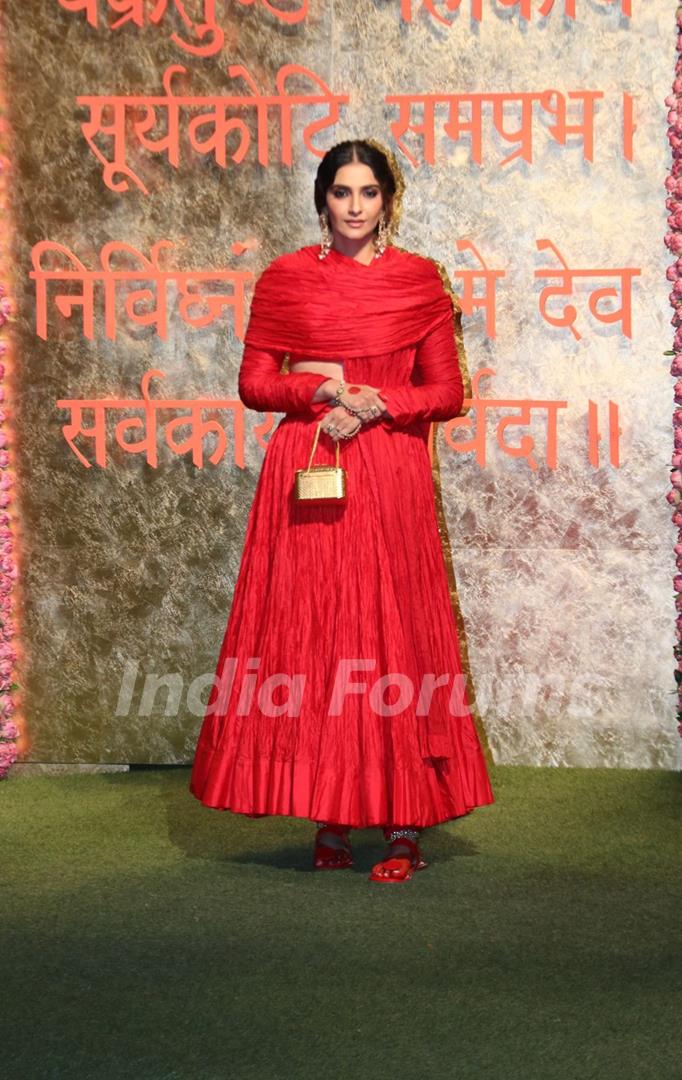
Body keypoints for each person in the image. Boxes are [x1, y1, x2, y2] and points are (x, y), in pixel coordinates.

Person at [189, 137, 495, 883]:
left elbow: (446, 394)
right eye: (341, 193)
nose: (354, 207)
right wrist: (320, 392)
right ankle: (329, 815)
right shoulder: (286, 281)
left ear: (389, 200)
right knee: (317, 640)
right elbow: (255, 382)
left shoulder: (419, 283)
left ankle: (403, 823)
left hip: (388, 469)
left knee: (392, 640)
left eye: (368, 193)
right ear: (321, 199)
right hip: (311, 466)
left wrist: (379, 405)